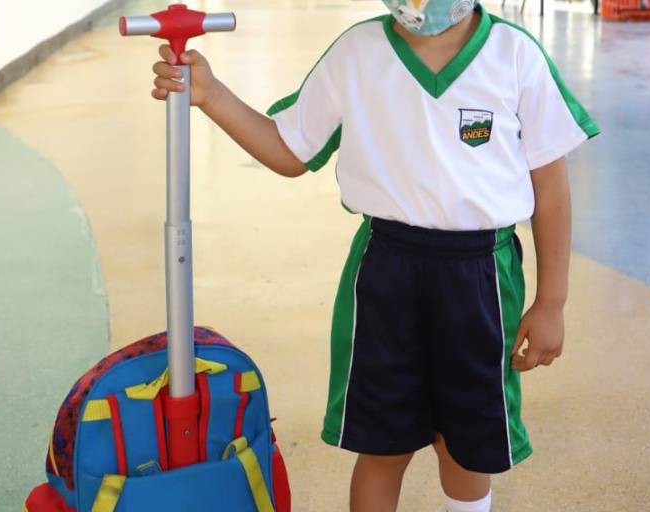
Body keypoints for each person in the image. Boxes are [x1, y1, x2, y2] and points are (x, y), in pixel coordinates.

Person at [150, 0, 599, 510]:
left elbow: (551, 189)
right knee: (383, 445)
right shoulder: (357, 53)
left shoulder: (515, 55)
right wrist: (210, 95)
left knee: (468, 445)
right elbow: (289, 150)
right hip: (386, 276)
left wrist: (552, 302)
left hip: (482, 279)